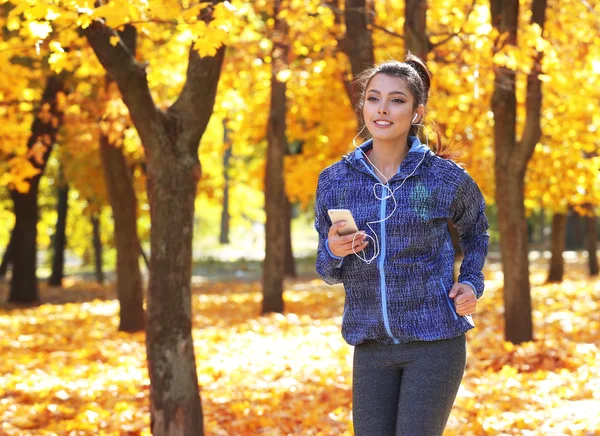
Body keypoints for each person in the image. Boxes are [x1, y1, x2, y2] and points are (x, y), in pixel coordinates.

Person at [314, 53, 489, 436]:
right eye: (373, 98)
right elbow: (326, 270)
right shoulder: (334, 181)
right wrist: (333, 251)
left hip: (435, 341)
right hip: (371, 346)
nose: (382, 108)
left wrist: (471, 281)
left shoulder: (443, 179)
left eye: (397, 100)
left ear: (416, 112)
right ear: (363, 106)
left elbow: (477, 232)